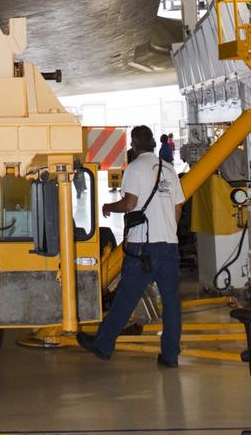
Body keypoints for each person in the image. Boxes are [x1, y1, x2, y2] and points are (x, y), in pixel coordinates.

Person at [77, 124, 184, 367]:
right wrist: (168, 230)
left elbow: (129, 204)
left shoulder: (135, 168)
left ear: (133, 146)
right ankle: (170, 355)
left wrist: (107, 207)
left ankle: (103, 344)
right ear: (153, 144)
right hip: (169, 245)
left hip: (143, 246)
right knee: (171, 303)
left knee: (126, 296)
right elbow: (178, 207)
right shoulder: (169, 169)